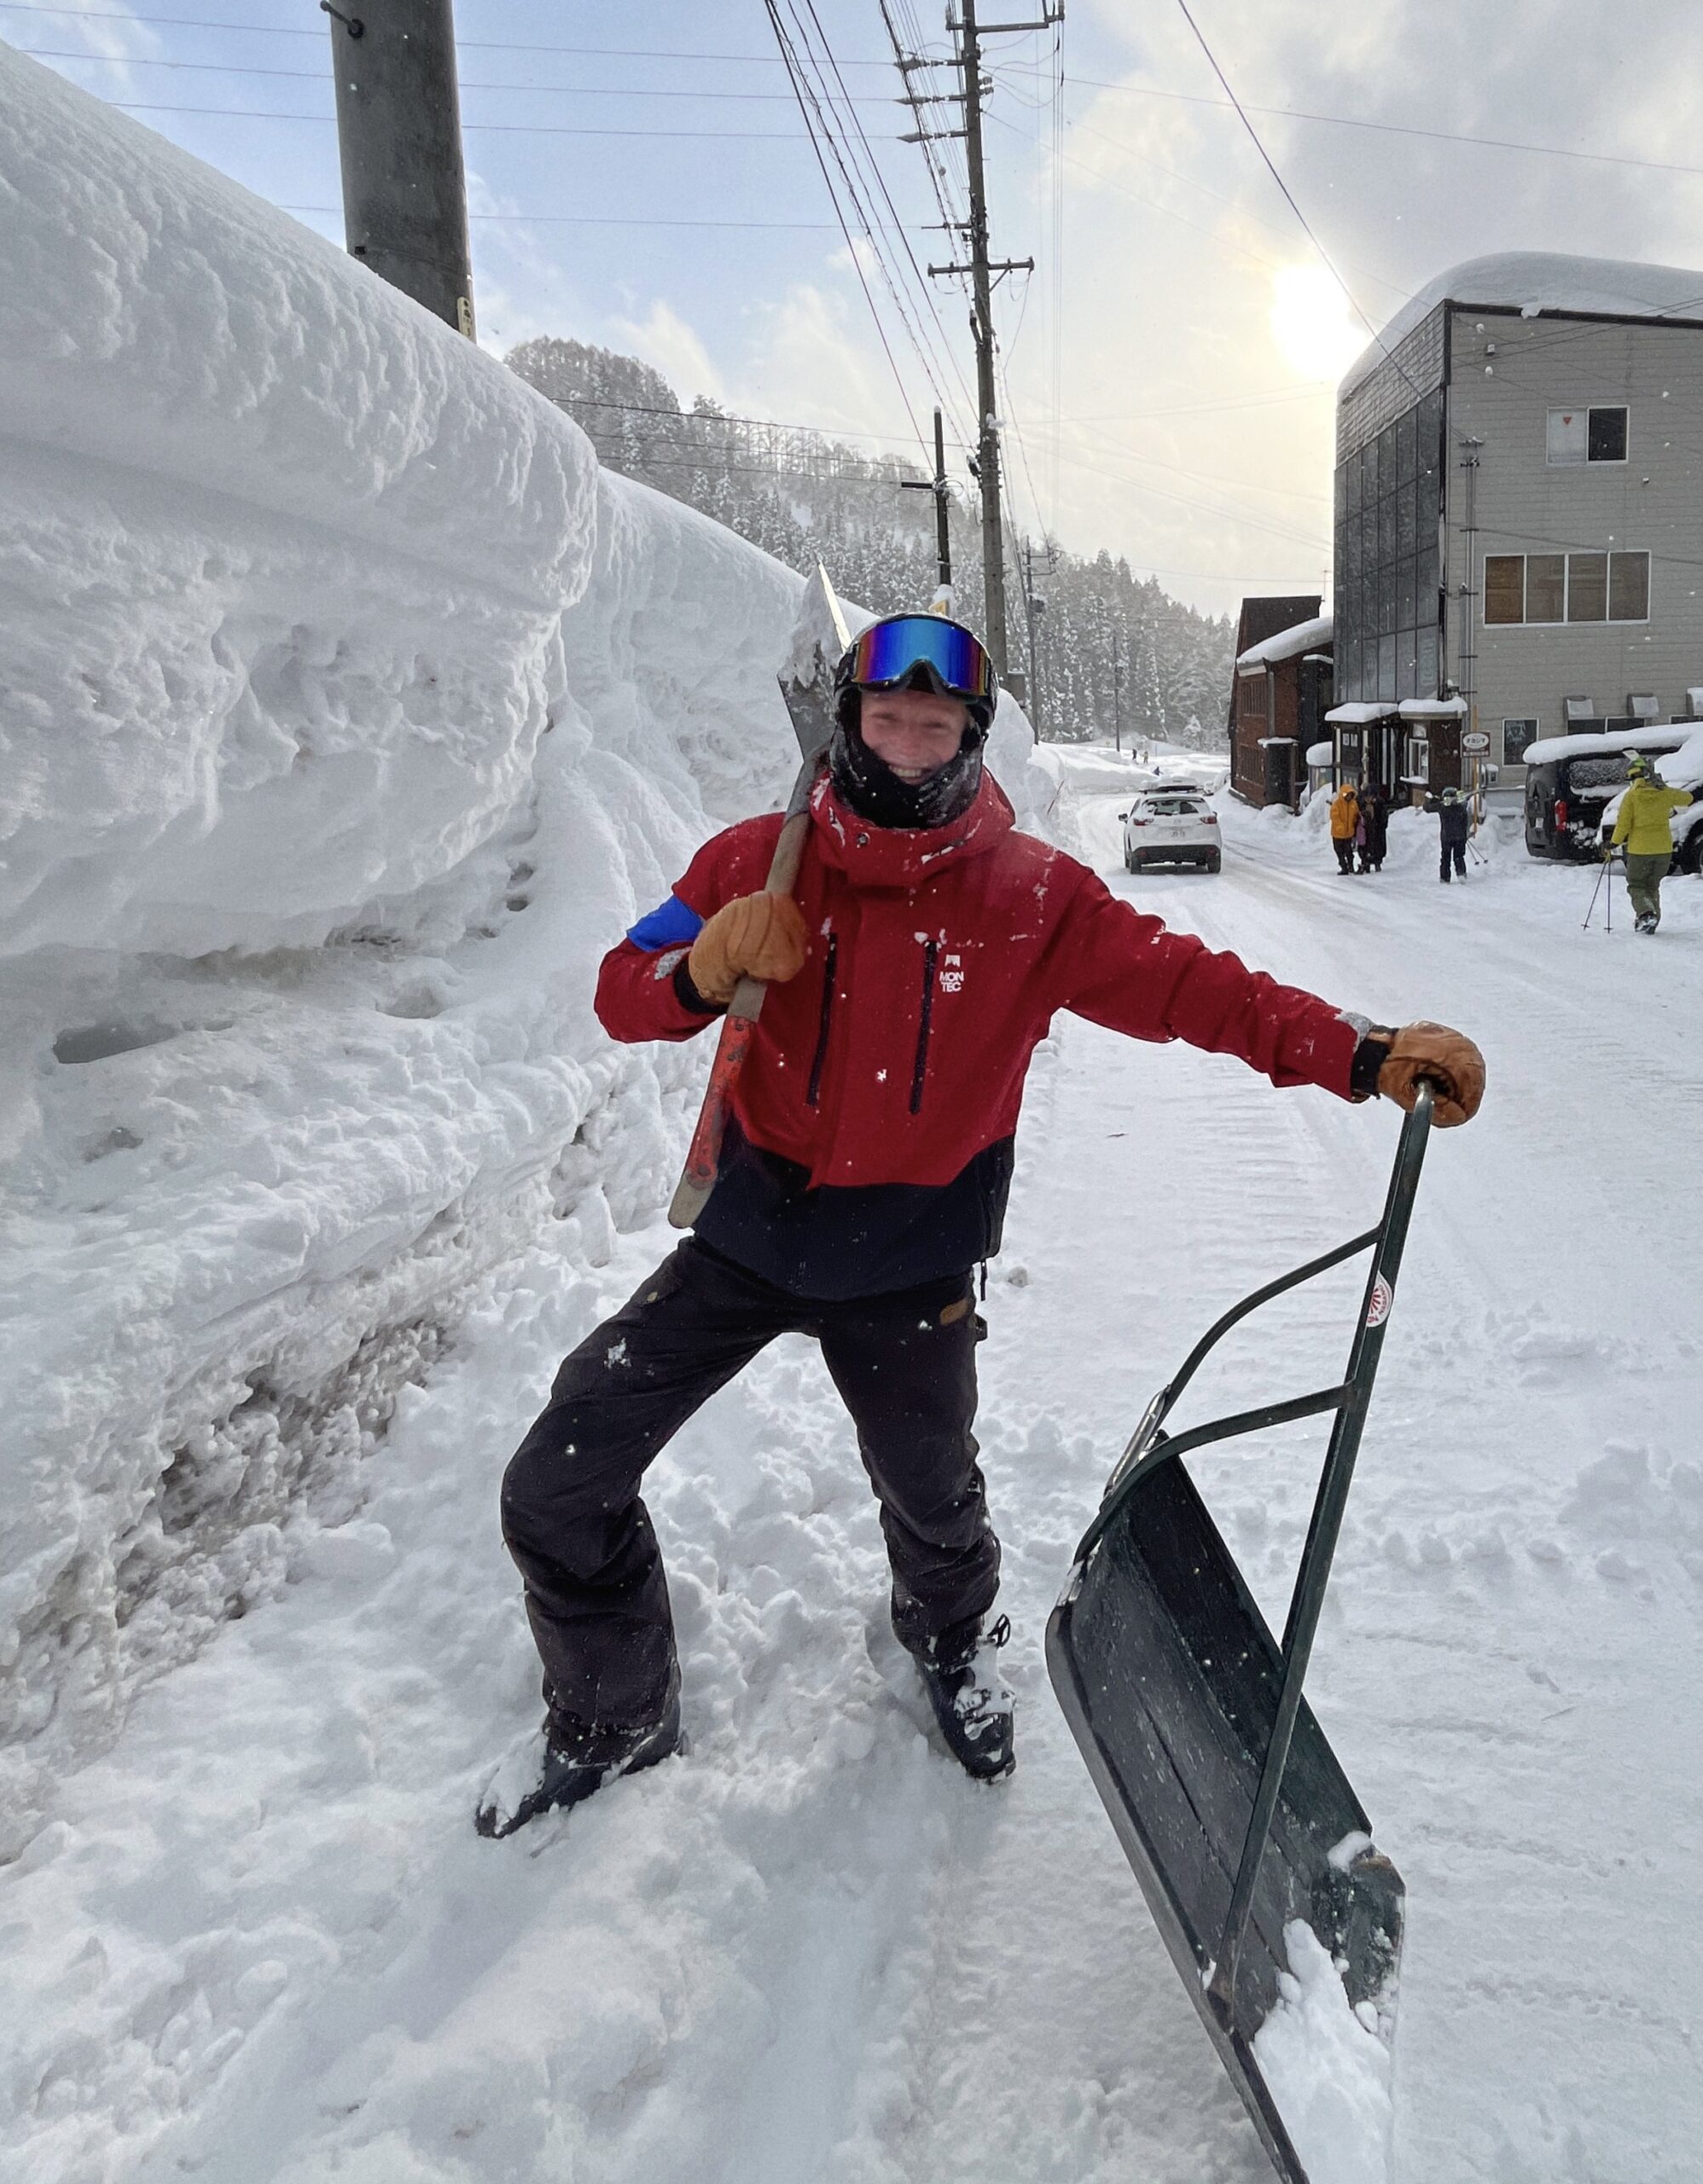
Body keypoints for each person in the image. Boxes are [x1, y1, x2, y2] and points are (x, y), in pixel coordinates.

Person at [478, 613, 1487, 1838]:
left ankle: (953, 1645)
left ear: (971, 733)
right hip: (750, 1237)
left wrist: (1361, 1052)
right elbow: (617, 991)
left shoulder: (1036, 898)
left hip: (911, 1260)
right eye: (886, 720)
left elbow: (1198, 991)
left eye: (936, 725)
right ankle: (616, 1710)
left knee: (936, 1502)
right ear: (849, 722)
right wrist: (700, 970)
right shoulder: (753, 860)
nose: (908, 747)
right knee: (556, 1478)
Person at [1607, 753, 1693, 933]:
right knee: (1652, 886)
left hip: (1640, 851)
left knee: (1637, 885)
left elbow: (1623, 823)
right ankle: (1650, 923)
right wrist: (1665, 787)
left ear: (1632, 777)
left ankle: (1646, 914)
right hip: (1663, 850)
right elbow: (1688, 798)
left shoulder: (1631, 797)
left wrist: (1613, 843)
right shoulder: (1665, 793)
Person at [1437, 786, 1471, 883]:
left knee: (1445, 858)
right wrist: (1465, 834)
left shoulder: (1443, 809)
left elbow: (1428, 806)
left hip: (1446, 837)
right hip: (1460, 836)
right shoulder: (1461, 808)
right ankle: (1461, 874)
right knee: (1459, 856)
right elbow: (1465, 823)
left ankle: (1445, 877)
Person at [1328, 780, 1361, 874]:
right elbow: (1334, 817)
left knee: (1349, 852)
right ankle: (1344, 867)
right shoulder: (1337, 804)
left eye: (1351, 795)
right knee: (1339, 851)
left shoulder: (1353, 804)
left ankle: (1350, 866)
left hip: (1348, 833)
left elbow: (1355, 816)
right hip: (1337, 834)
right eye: (1347, 794)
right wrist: (1340, 827)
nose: (1349, 797)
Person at [1359, 788, 1391, 875]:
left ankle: (1377, 863)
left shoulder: (1379, 804)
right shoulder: (1362, 805)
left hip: (1377, 830)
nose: (1367, 799)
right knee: (1366, 847)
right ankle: (1366, 864)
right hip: (1367, 831)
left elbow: (1383, 817)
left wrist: (1381, 825)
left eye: (1369, 797)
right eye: (1366, 797)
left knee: (1377, 847)